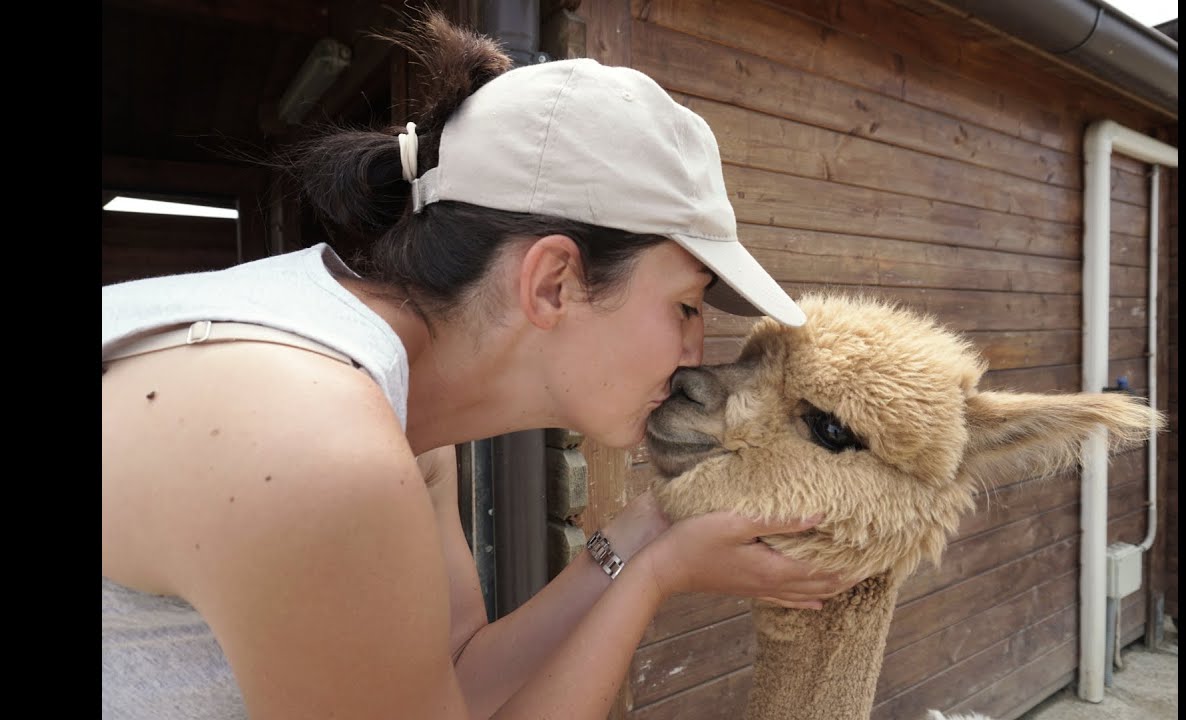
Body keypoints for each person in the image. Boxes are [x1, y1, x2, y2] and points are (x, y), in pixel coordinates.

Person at [102, 8, 858, 719]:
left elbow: (459, 676)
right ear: (553, 281)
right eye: (687, 305)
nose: (695, 356)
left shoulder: (401, 419)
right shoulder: (317, 447)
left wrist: (644, 531)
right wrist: (656, 578)